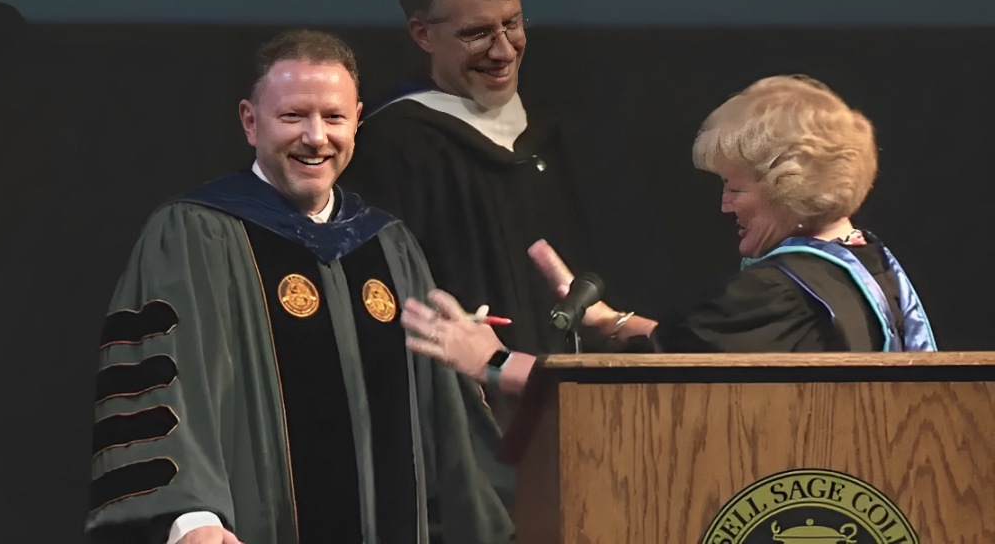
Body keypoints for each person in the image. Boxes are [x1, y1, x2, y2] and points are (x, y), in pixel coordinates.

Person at [85, 30, 513, 544]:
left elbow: (445, 418)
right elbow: (159, 388)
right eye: (292, 116)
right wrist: (192, 520)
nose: (316, 137)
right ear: (250, 121)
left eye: (333, 117)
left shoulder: (389, 246)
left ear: (356, 119)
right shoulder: (194, 235)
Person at [402, 75, 938, 395]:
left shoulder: (773, 294)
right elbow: (710, 350)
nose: (724, 205)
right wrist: (610, 321)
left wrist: (492, 362)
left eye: (734, 187)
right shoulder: (869, 266)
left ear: (787, 186)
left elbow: (638, 387)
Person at [339, 0, 642, 422]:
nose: (503, 51)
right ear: (423, 34)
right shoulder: (392, 148)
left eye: (513, 24)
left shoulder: (558, 140)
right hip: (459, 428)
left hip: (575, 415)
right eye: (476, 33)